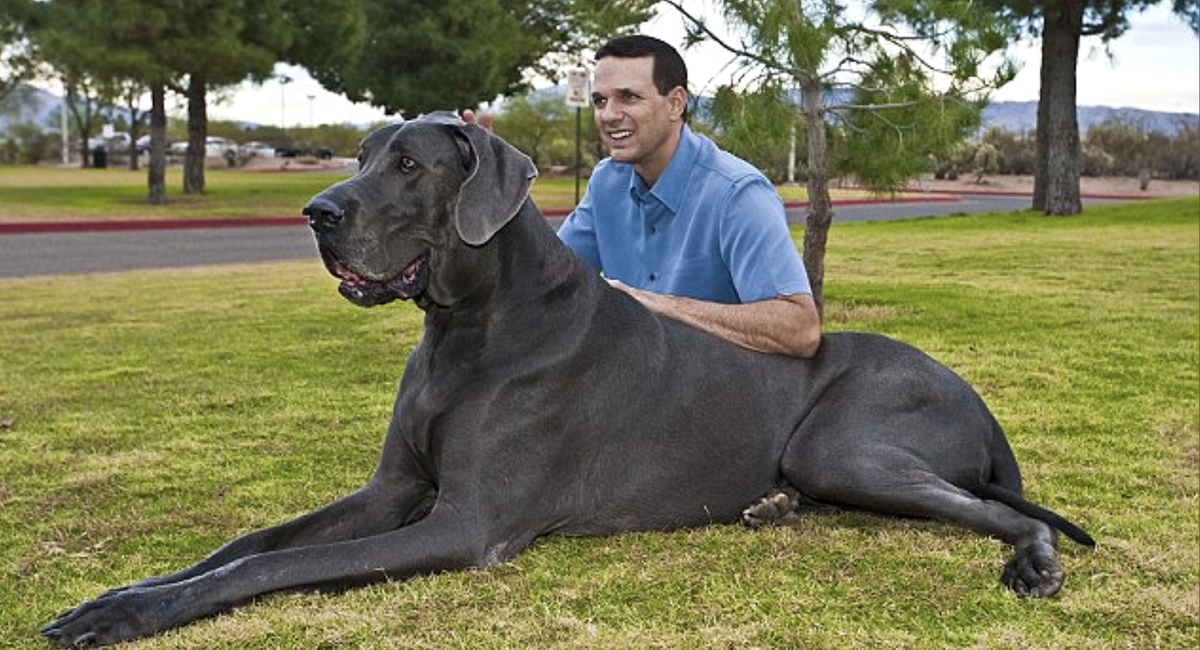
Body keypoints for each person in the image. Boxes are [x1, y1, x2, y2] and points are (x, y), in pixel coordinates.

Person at [556, 35, 821, 358]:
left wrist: (659, 306)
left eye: (628, 97)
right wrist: (484, 172)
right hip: (634, 388)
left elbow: (800, 328)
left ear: (675, 104)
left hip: (724, 396)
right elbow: (546, 279)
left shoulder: (738, 194)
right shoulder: (606, 182)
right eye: (600, 101)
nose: (609, 114)